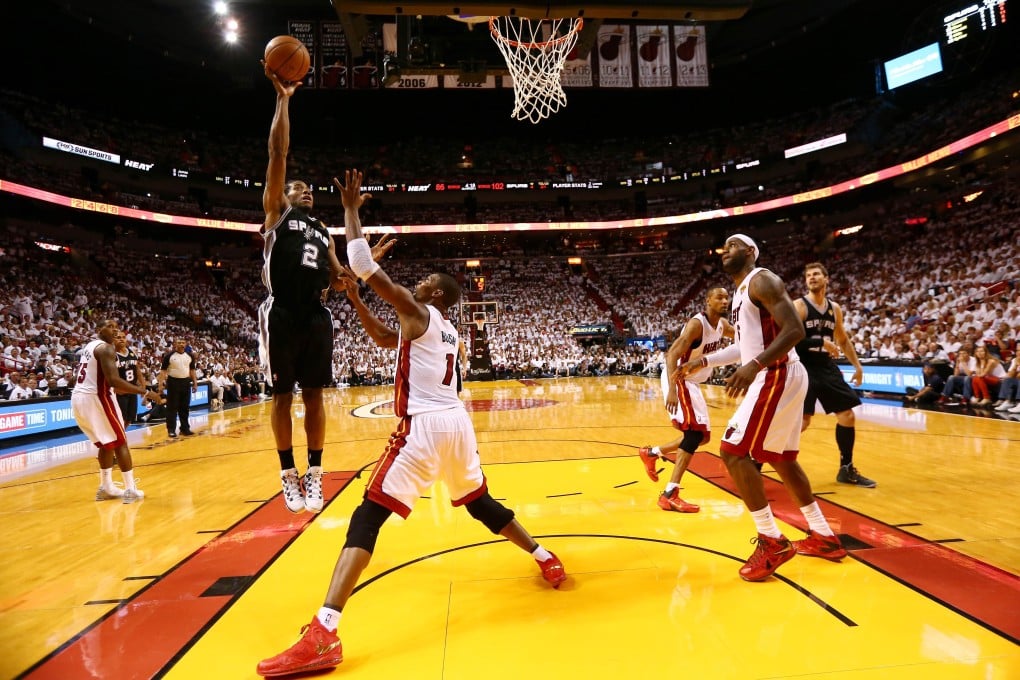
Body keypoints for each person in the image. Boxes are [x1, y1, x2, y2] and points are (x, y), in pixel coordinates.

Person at [255, 169, 566, 678]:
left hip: (421, 426)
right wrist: (355, 299)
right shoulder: (444, 332)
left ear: (438, 295)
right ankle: (543, 555)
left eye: (424, 284)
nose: (415, 285)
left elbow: (358, 261)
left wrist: (352, 211)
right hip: (457, 427)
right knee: (480, 502)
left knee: (368, 517)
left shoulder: (421, 309)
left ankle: (323, 633)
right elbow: (383, 339)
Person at [679, 234, 845, 582]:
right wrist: (705, 360)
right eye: (723, 246)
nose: (726, 250)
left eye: (734, 245)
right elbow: (743, 346)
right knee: (782, 458)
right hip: (780, 371)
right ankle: (824, 536)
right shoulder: (741, 295)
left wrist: (755, 365)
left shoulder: (762, 279)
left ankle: (772, 540)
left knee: (734, 453)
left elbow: (795, 329)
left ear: (752, 252)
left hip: (777, 372)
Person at [258, 64, 362, 515]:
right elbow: (278, 154)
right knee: (282, 397)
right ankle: (288, 473)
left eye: (308, 190)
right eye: (297, 188)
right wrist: (283, 100)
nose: (305, 192)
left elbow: (340, 279)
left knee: (315, 396)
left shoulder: (323, 231)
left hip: (317, 314)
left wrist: (352, 274)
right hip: (281, 311)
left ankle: (315, 473)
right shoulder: (277, 214)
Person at [638, 287, 733, 513]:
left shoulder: (722, 326)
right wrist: (672, 388)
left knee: (700, 438)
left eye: (727, 297)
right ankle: (670, 493)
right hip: (679, 377)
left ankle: (652, 453)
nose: (725, 300)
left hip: (692, 382)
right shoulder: (697, 324)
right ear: (708, 300)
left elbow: (743, 335)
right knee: (693, 434)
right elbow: (672, 354)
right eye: (719, 297)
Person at [794, 262, 875, 488]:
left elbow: (842, 339)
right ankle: (761, 458)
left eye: (816, 274)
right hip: (803, 365)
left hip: (825, 366)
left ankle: (846, 468)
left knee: (847, 416)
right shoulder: (799, 306)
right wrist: (820, 341)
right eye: (808, 275)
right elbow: (789, 340)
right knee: (802, 421)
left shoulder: (834, 309)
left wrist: (857, 365)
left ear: (826, 278)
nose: (812, 277)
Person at [71, 319, 162, 503]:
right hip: (97, 398)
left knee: (107, 443)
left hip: (79, 398)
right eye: (109, 327)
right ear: (99, 329)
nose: (114, 330)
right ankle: (130, 490)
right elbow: (113, 380)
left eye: (117, 327)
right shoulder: (106, 348)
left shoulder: (90, 346)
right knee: (120, 442)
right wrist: (145, 391)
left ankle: (106, 487)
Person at [158, 338, 197, 438]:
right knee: (172, 407)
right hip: (173, 383)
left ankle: (184, 429)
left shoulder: (190, 356)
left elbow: (192, 370)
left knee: (184, 407)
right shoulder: (169, 356)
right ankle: (171, 430)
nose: (181, 344)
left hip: (186, 382)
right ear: (175, 344)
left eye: (183, 343)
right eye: (179, 343)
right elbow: (163, 371)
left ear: (186, 344)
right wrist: (160, 385)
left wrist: (195, 383)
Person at [114, 330, 144, 428]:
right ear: (113, 339)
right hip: (120, 391)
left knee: (129, 418)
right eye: (118, 337)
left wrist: (143, 385)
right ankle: (118, 439)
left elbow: (137, 369)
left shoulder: (132, 351)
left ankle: (122, 436)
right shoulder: (112, 355)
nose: (121, 339)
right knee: (120, 418)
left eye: (123, 337)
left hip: (132, 389)